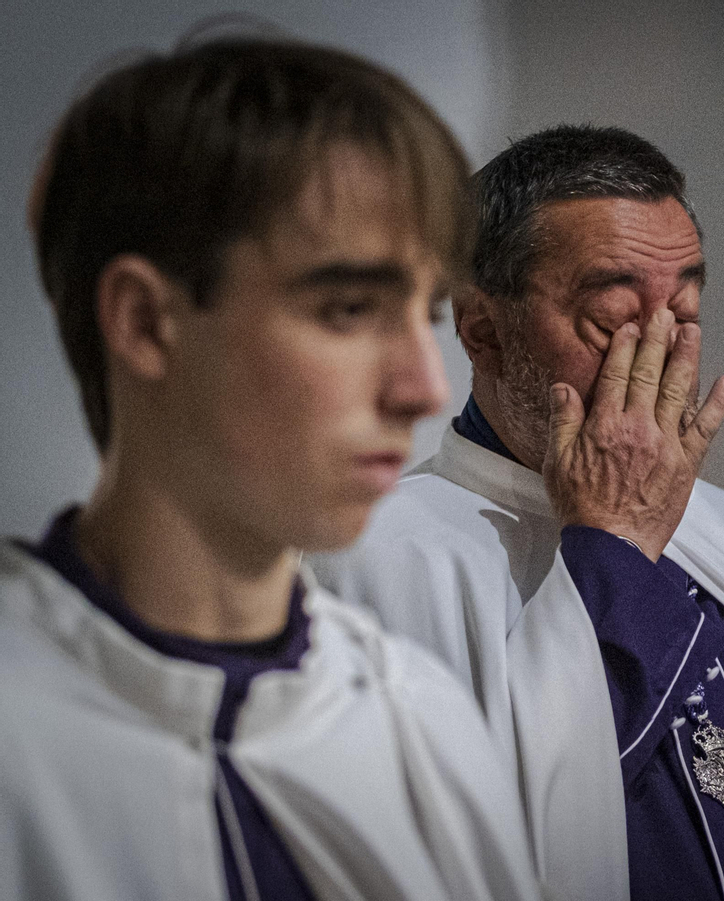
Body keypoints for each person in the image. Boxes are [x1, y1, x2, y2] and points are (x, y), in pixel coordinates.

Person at [2, 36, 541, 901]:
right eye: (349, 308)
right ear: (144, 322)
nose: (423, 388)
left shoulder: (422, 728)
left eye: (426, 313)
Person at [313, 125, 724, 900]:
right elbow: (491, 844)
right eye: (612, 319)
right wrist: (614, 544)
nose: (662, 354)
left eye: (684, 310)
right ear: (483, 329)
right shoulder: (371, 560)